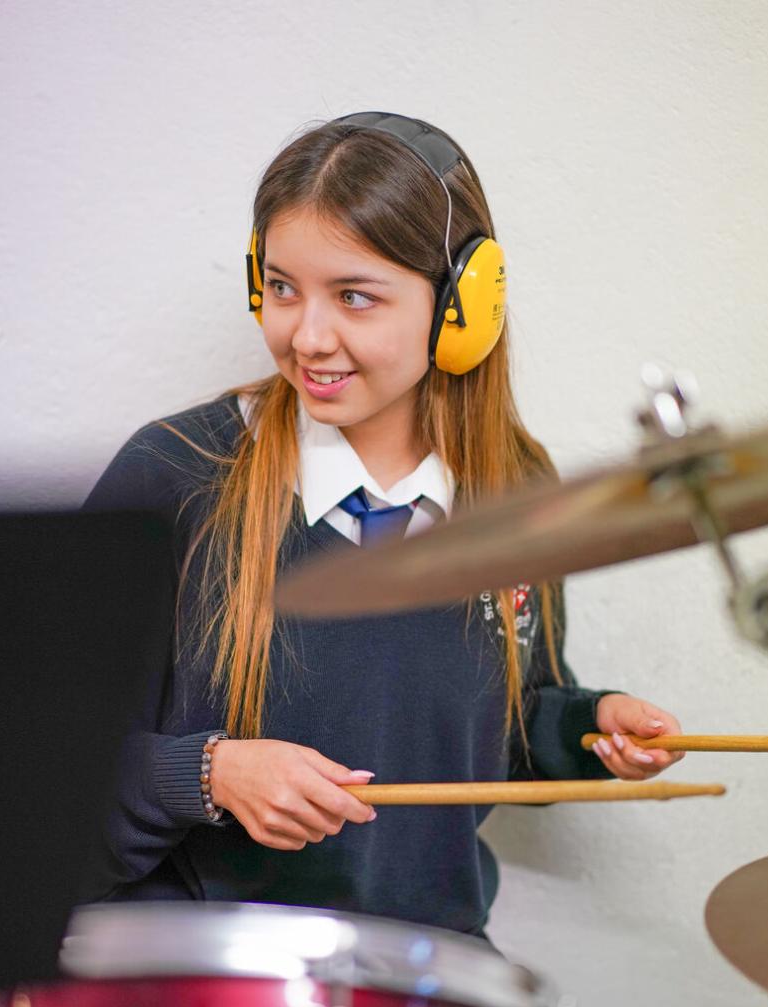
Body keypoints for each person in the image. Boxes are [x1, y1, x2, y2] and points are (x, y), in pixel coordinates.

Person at [84, 112, 683, 936]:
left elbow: (499, 728)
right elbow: (38, 776)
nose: (308, 336)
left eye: (354, 296)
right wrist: (209, 773)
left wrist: (589, 724)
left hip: (427, 969)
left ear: (462, 308)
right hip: (203, 968)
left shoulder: (517, 491)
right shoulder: (176, 474)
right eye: (284, 287)